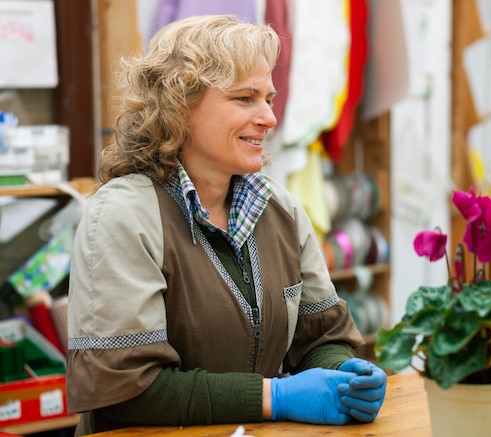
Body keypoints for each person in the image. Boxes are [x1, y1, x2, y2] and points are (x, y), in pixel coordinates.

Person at [66, 14, 387, 435]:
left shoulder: (281, 211)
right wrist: (278, 397)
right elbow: (127, 390)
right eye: (245, 98)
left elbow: (321, 338)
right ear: (179, 106)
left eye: (269, 98)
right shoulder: (122, 216)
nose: (269, 117)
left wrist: (344, 375)